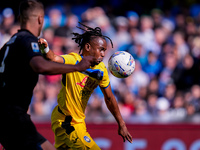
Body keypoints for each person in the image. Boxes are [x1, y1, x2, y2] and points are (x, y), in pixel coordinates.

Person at [0, 1, 95, 150]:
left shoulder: (8, 45)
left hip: (9, 116)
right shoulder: (28, 40)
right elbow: (40, 65)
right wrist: (78, 66)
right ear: (40, 19)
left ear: (19, 18)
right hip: (13, 116)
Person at [38, 22, 133, 150]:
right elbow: (53, 58)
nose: (103, 54)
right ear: (88, 47)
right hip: (66, 121)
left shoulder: (101, 70)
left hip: (79, 122)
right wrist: (45, 49)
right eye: (101, 49)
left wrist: (121, 123)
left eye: (104, 50)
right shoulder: (74, 60)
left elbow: (109, 98)